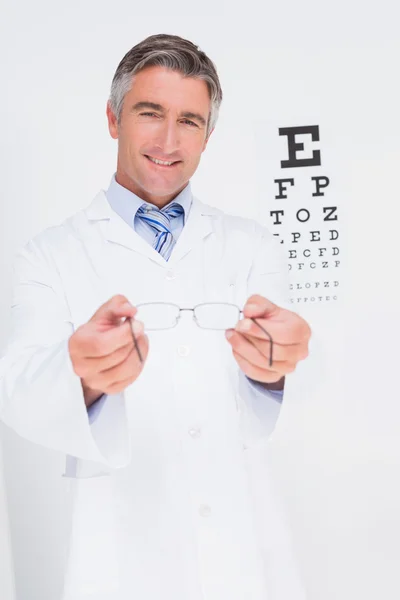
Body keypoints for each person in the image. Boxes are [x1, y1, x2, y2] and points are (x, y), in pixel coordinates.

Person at [0, 33, 311, 600]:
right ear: (114, 119)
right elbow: (17, 395)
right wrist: (86, 380)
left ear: (208, 136)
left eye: (189, 121)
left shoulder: (251, 244)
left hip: (238, 542)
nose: (169, 140)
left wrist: (273, 364)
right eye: (151, 113)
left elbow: (270, 376)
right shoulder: (49, 255)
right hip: (118, 546)